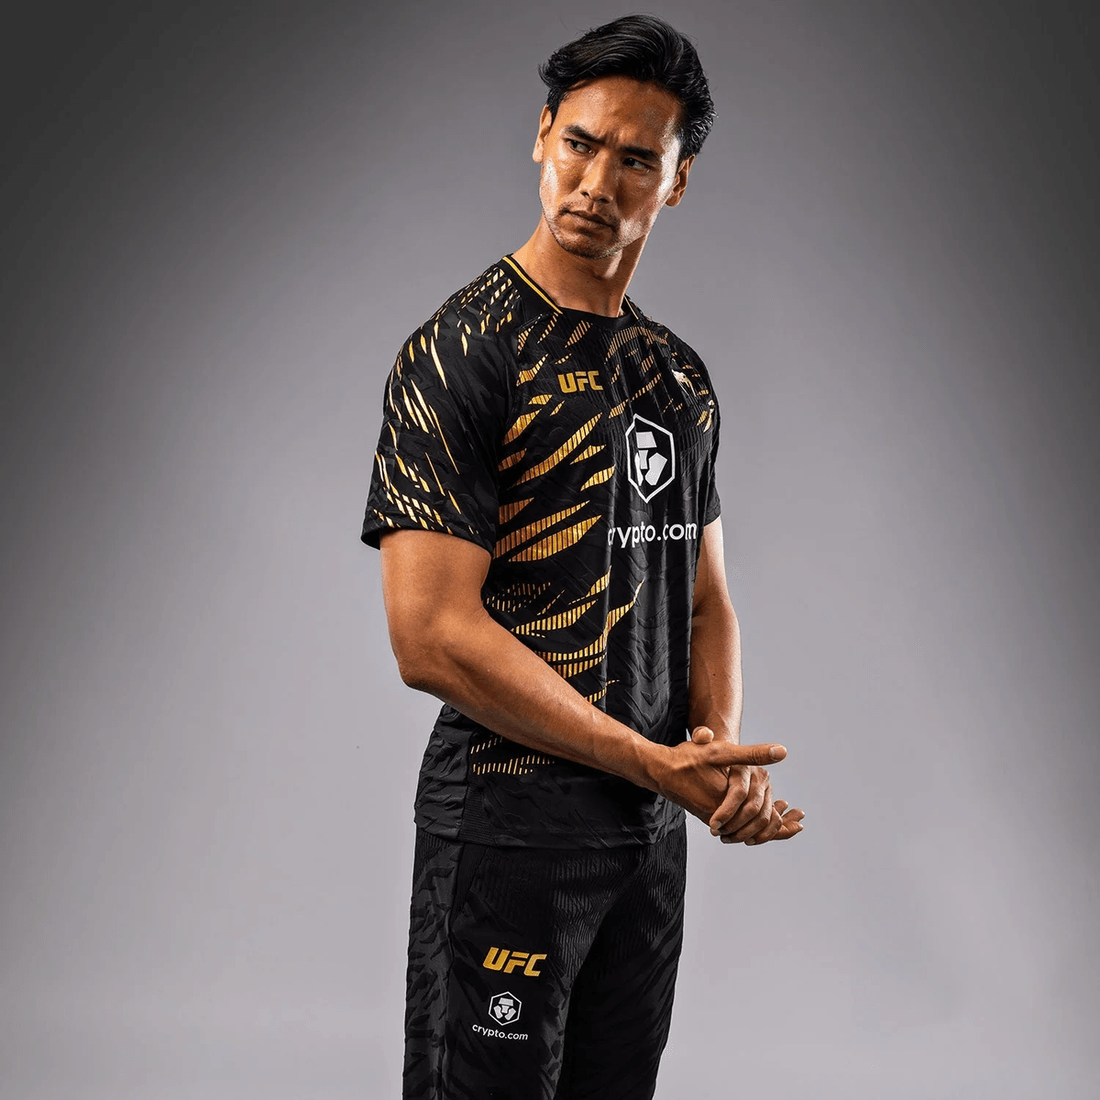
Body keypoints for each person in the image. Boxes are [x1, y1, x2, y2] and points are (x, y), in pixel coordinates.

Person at [360, 14, 804, 1099]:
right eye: (580, 143)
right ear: (541, 136)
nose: (598, 182)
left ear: (677, 181)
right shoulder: (460, 354)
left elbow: (702, 599)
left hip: (645, 844)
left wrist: (714, 753)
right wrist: (650, 762)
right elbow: (429, 639)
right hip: (507, 837)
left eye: (636, 159)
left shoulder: (675, 376)